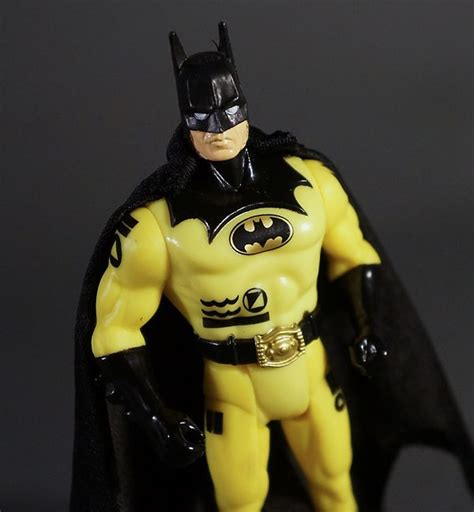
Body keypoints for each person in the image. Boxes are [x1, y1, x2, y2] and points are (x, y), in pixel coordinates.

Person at [71, 22, 473, 512]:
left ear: (244, 106)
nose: (218, 128)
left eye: (228, 111)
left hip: (311, 367)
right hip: (233, 386)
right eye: (202, 116)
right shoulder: (157, 226)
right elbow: (115, 332)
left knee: (337, 485)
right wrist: (157, 417)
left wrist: (367, 324)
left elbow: (356, 256)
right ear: (185, 120)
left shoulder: (311, 181)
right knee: (239, 500)